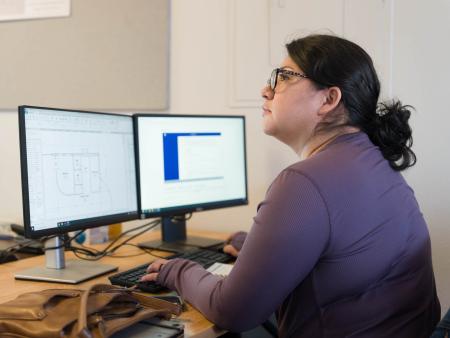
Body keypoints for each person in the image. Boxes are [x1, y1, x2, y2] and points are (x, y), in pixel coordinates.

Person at [141, 34, 440, 337]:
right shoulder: (374, 162)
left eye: (283, 77)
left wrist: (177, 270)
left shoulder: (304, 183)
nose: (266, 90)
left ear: (328, 99)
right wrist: (264, 251)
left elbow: (232, 310)